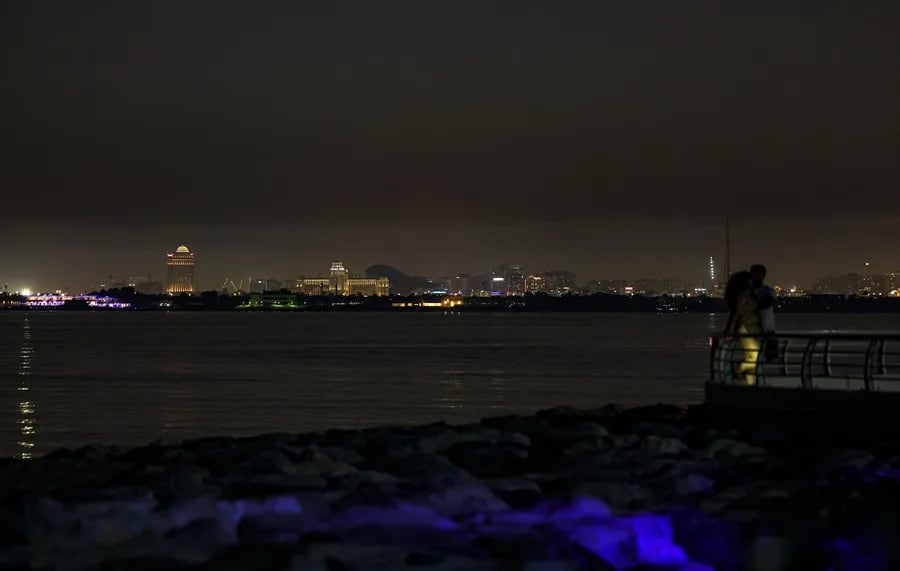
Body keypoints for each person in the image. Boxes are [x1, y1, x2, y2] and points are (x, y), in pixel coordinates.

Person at [723, 271, 761, 384]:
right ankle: (737, 370)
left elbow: (735, 311)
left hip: (748, 327)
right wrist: (729, 327)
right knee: (755, 356)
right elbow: (737, 311)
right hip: (746, 328)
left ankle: (749, 380)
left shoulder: (743, 294)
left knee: (752, 356)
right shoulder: (745, 294)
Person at [750, 264, 779, 361]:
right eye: (755, 274)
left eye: (758, 274)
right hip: (759, 331)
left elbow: (770, 302)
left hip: (765, 330)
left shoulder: (768, 291)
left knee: (770, 359)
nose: (756, 277)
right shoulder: (767, 291)